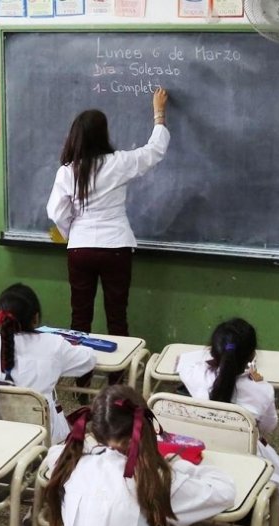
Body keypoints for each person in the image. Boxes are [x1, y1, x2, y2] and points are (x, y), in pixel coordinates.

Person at [43, 384, 236, 526]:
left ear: (95, 426)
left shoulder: (72, 462)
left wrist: (91, 446)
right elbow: (225, 491)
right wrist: (177, 465)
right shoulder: (153, 478)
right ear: (144, 427)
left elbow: (54, 453)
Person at [46, 88, 170, 384]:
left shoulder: (68, 171)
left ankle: (81, 383)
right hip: (116, 247)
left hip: (80, 249)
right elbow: (154, 151)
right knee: (117, 317)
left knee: (80, 319)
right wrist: (159, 114)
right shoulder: (119, 162)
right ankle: (117, 383)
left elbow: (55, 212)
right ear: (103, 135)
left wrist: (72, 232)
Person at [176, 318, 279, 502]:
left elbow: (183, 362)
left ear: (213, 352)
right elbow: (268, 427)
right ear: (252, 355)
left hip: (200, 454)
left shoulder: (197, 375)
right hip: (244, 458)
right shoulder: (262, 390)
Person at [0, 283, 95, 443]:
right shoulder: (54, 344)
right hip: (45, 436)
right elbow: (88, 360)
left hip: (1, 430)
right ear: (36, 318)